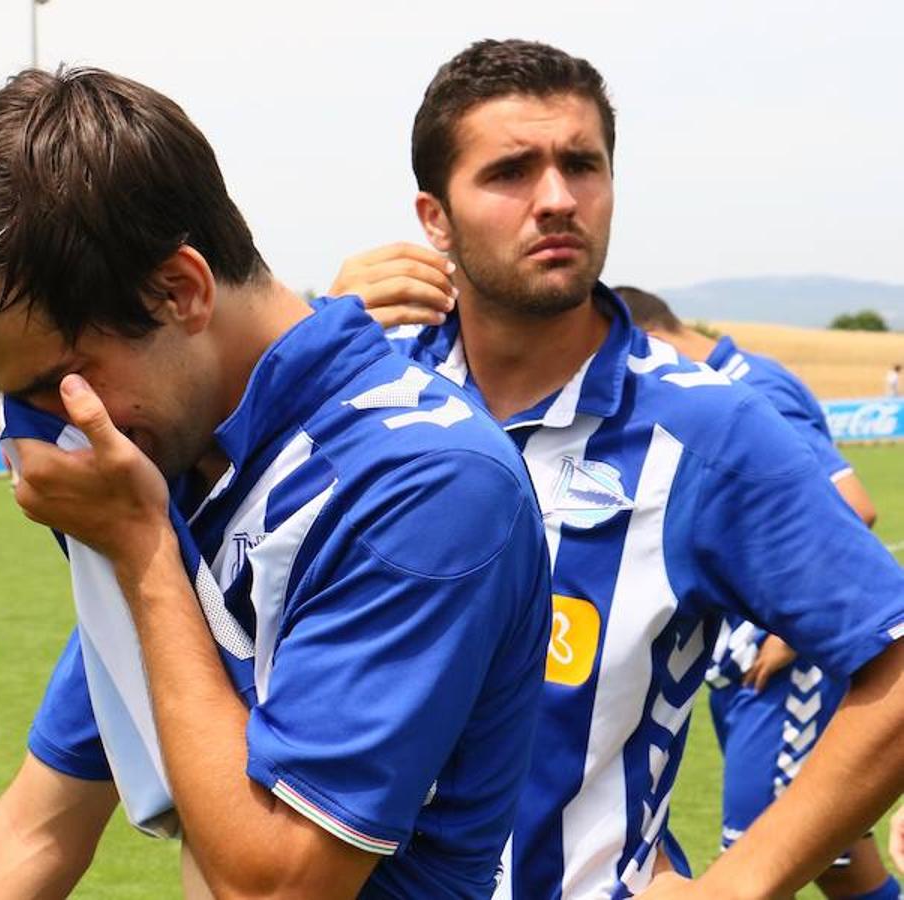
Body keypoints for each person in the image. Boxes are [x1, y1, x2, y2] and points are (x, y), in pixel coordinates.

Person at [0, 67, 552, 899]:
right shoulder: (183, 470)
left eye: (57, 385)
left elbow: (276, 886)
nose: (42, 443)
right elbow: (34, 829)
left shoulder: (428, 484)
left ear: (181, 291)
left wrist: (143, 556)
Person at [329, 39, 904, 899]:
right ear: (435, 218)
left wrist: (735, 885)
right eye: (511, 171)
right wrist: (318, 339)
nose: (557, 199)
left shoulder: (707, 428)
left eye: (582, 165)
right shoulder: (362, 402)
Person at [619, 286, 899, 900]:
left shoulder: (749, 391)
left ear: (652, 338)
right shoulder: (741, 377)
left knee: (749, 858)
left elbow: (853, 507)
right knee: (835, 854)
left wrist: (783, 636)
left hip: (780, 668)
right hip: (743, 664)